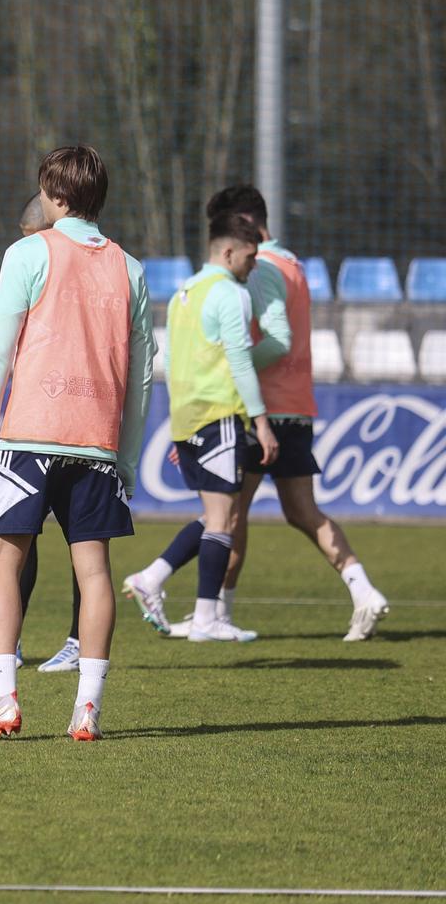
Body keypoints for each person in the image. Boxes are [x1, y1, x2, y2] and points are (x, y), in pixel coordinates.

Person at [0, 147, 151, 742]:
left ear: (55, 193)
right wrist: (129, 456)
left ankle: (2, 700)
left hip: (30, 433)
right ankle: (87, 708)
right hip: (97, 440)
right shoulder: (131, 268)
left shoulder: (28, 252)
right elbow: (143, 373)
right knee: (94, 571)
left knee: (3, 561)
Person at [142, 186, 389, 642]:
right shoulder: (293, 264)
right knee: (298, 512)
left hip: (262, 410)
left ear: (245, 227)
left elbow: (272, 341)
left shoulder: (258, 270)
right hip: (295, 404)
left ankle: (207, 609)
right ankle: (362, 589)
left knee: (227, 515)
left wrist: (219, 368)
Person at [121, 212, 277, 645]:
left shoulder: (183, 293)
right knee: (224, 518)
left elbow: (173, 362)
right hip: (219, 414)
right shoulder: (230, 293)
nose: (254, 265)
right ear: (228, 252)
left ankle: (162, 585)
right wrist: (261, 422)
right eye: (250, 256)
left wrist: (179, 423)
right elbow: (240, 360)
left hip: (189, 418)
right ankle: (197, 610)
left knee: (216, 516)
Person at [0, 193, 84, 674]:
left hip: (61, 421)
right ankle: (7, 641)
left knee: (83, 544)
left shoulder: (76, 266)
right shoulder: (33, 261)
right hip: (39, 420)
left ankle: (78, 641)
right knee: (23, 537)